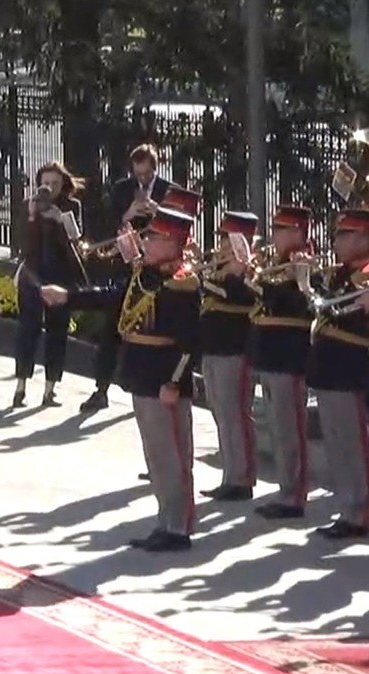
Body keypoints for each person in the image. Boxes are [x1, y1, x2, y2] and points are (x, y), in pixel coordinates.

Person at [42, 208, 201, 552]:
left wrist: (175, 381)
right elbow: (110, 297)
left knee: (173, 457)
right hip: (142, 373)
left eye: (154, 238)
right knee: (156, 456)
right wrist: (68, 297)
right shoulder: (145, 275)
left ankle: (179, 526)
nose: (146, 242)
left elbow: (191, 341)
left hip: (164, 377)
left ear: (173, 243)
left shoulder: (182, 282)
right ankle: (166, 521)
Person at [80, 144, 171, 413]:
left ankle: (153, 386)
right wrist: (127, 215)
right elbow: (106, 224)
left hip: (156, 271)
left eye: (146, 175)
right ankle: (101, 389)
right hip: (126, 267)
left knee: (154, 330)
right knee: (112, 327)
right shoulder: (122, 189)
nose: (141, 179)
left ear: (155, 169)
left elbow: (180, 230)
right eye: (137, 173)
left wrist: (158, 213)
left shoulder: (168, 190)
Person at [302, 208, 369, 540]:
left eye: (344, 235)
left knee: (353, 445)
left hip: (351, 369)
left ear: (363, 238)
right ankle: (350, 510)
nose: (336, 241)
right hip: (328, 369)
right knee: (339, 446)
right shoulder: (340, 274)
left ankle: (359, 513)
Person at [248, 206, 316, 521]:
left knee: (290, 428)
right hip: (270, 355)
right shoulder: (277, 263)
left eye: (281, 230)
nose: (275, 235)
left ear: (299, 233)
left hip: (289, 357)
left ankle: (294, 495)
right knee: (278, 427)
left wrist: (257, 281)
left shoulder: (303, 265)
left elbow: (287, 302)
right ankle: (285, 490)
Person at [197, 211, 261, 502]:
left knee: (236, 415)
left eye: (228, 239)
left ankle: (243, 478)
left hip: (236, 350)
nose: (221, 245)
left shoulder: (252, 271)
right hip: (213, 348)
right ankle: (230, 475)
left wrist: (236, 270)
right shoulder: (221, 268)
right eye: (221, 238)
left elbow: (242, 297)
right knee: (221, 413)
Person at [12, 162, 87, 408]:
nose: (51, 188)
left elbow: (77, 238)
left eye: (55, 184)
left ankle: (50, 389)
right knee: (28, 329)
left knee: (57, 331)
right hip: (33, 275)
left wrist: (61, 219)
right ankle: (21, 385)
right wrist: (33, 216)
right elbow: (21, 242)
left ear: (63, 185)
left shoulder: (70, 206)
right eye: (46, 183)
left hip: (59, 275)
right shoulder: (29, 204)